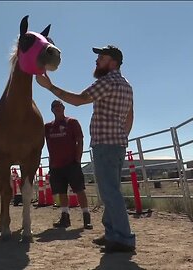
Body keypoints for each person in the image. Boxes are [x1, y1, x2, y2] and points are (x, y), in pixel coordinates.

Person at [36, 45, 135, 253]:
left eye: (101, 57)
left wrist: (50, 87)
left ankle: (124, 239)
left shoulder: (107, 81)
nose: (97, 60)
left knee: (110, 193)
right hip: (116, 144)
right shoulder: (126, 84)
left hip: (105, 145)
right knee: (111, 190)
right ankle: (112, 234)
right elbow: (130, 115)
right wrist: (122, 137)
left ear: (113, 62)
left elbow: (80, 100)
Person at [45, 99, 93, 230]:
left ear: (63, 107)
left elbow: (80, 140)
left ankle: (86, 216)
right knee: (61, 192)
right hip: (56, 165)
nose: (57, 108)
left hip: (71, 163)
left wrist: (78, 158)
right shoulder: (48, 127)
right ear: (52, 110)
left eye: (59, 106)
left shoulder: (72, 122)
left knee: (79, 190)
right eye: (54, 106)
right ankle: (65, 216)